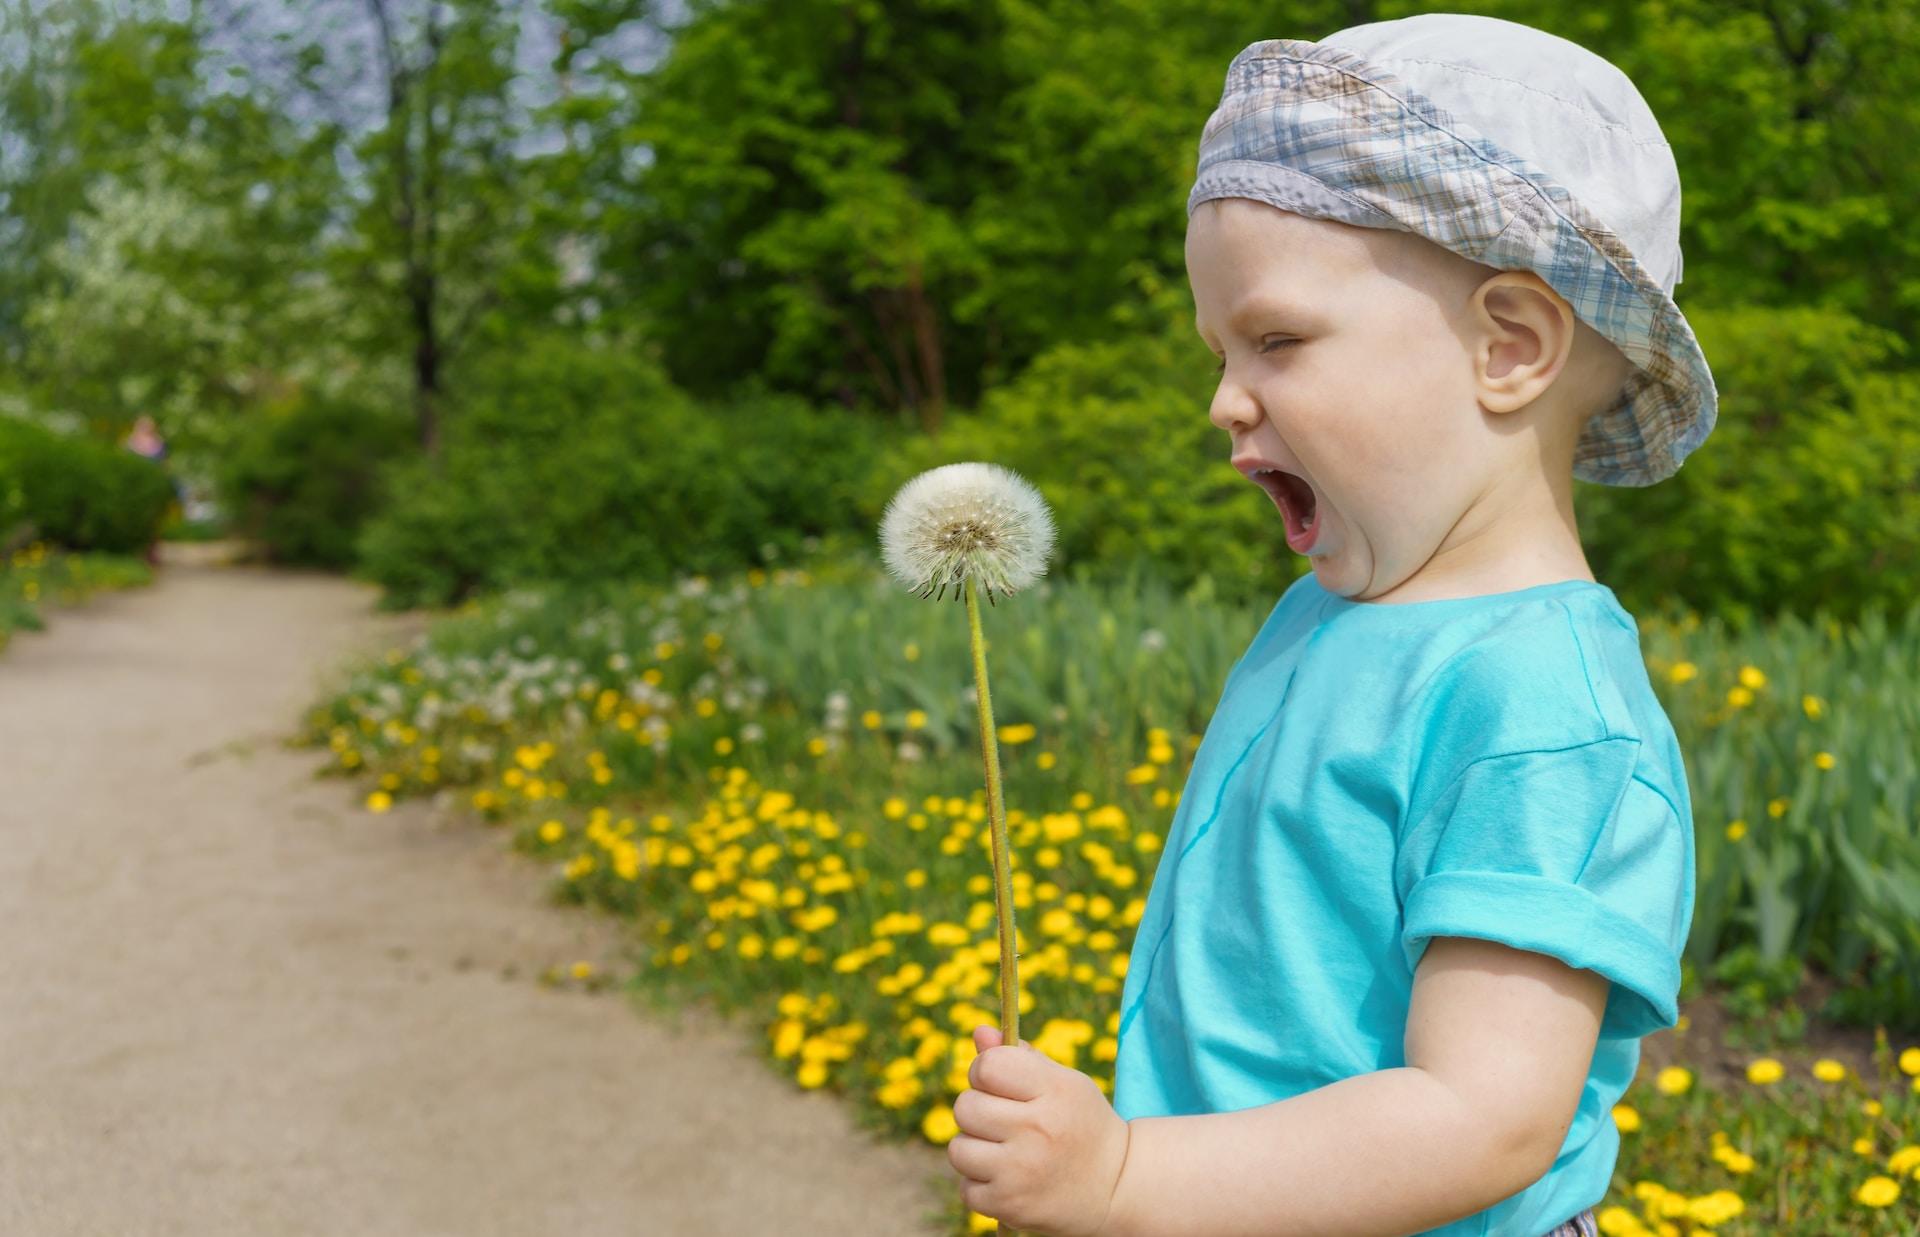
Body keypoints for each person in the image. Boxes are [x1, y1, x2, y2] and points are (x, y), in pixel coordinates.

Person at [945, 14, 1714, 1237]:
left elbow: (1483, 1113)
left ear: (1508, 345)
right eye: (1220, 349)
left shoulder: (1543, 710)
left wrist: (1130, 1176)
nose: (1221, 399)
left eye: (1277, 340)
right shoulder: (1331, 611)